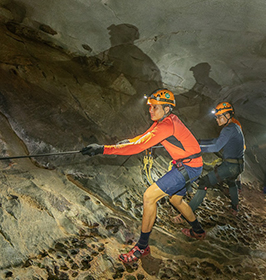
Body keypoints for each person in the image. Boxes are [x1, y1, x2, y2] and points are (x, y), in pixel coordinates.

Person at [81, 88, 206, 264]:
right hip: (191, 165)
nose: (150, 110)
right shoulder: (165, 121)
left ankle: (142, 247)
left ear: (167, 109)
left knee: (149, 196)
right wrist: (127, 142)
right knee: (175, 200)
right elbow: (144, 138)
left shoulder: (166, 125)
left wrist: (103, 149)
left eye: (155, 107)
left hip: (188, 168)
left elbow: (139, 147)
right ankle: (198, 231)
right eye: (150, 107)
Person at [174, 101, 245, 220]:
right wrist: (199, 142)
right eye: (216, 117)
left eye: (219, 117)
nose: (217, 120)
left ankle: (186, 215)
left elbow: (216, 147)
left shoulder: (228, 129)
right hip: (239, 166)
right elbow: (216, 140)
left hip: (229, 166)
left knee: (204, 183)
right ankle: (235, 207)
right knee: (231, 182)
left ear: (228, 115)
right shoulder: (235, 127)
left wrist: (196, 148)